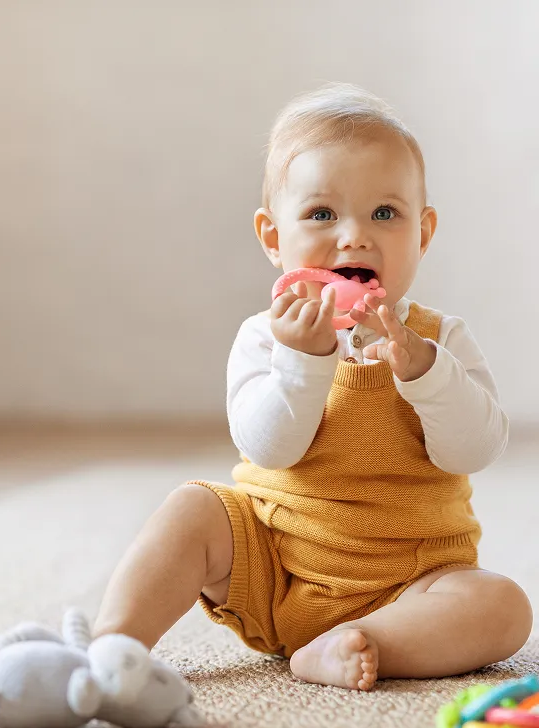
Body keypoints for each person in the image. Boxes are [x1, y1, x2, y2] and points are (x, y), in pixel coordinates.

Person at [94, 84, 533, 691]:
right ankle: (111, 646)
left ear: (423, 233)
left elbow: (476, 449)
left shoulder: (440, 340)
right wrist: (304, 361)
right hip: (276, 564)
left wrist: (424, 371)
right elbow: (270, 448)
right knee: (193, 508)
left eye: (385, 213)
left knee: (503, 608)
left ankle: (359, 644)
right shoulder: (264, 337)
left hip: (412, 579)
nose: (354, 236)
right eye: (322, 214)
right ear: (275, 239)